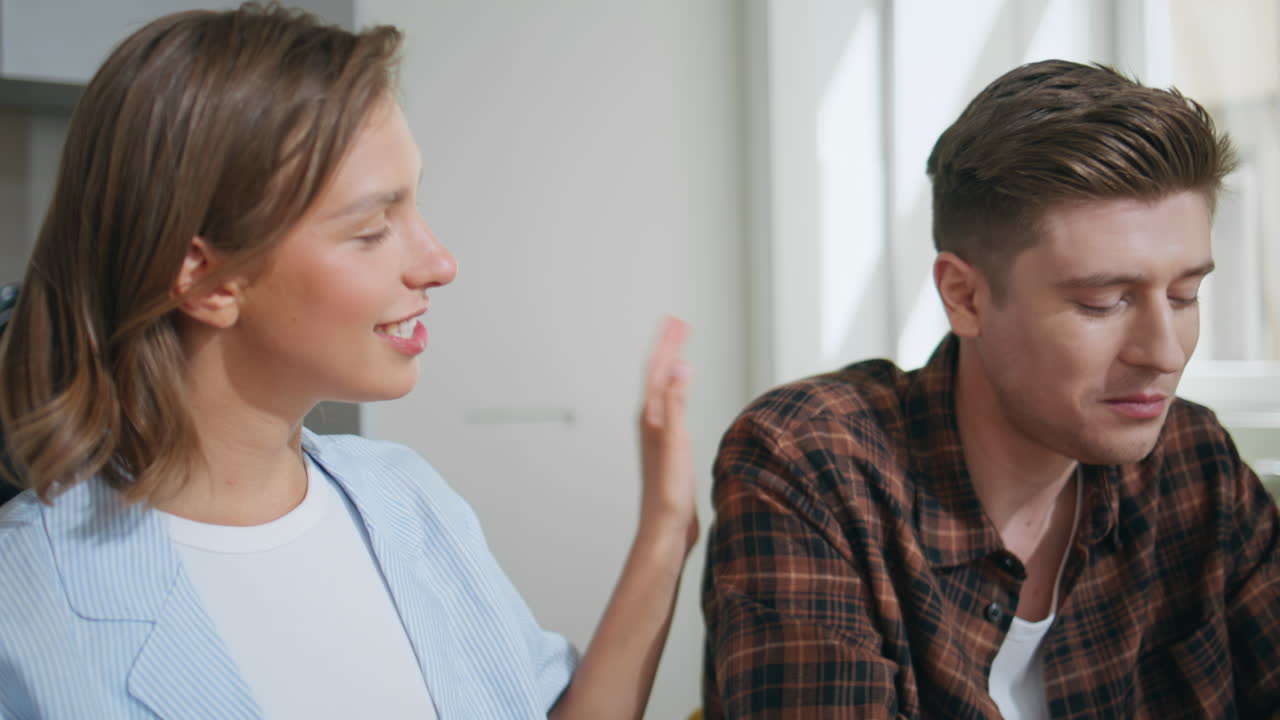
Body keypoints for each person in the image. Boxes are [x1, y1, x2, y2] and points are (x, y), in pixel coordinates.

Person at [0, 5, 697, 718]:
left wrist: (668, 528)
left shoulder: (406, 500)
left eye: (416, 208)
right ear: (204, 277)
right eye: (372, 230)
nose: (441, 263)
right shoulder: (22, 609)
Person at [701, 59, 1280, 718]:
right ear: (965, 296)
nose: (1166, 352)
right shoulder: (813, 463)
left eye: (1184, 294)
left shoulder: (1195, 464)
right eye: (1102, 302)